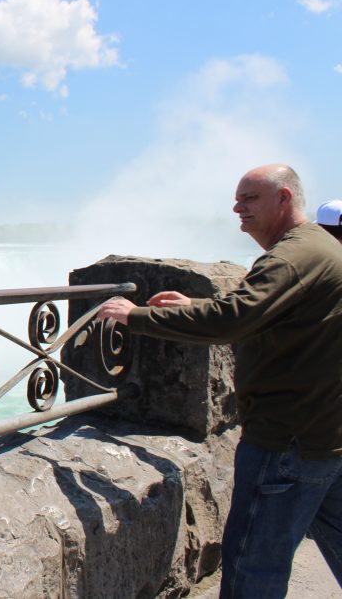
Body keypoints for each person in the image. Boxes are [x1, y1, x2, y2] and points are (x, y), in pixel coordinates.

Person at [96, 164, 342, 598]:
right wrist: (196, 303)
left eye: (249, 198)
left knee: (253, 566)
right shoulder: (320, 247)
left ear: (284, 198)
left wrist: (135, 316)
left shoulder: (288, 258)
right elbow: (273, 313)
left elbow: (233, 320)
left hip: (286, 439)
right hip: (325, 435)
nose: (236, 207)